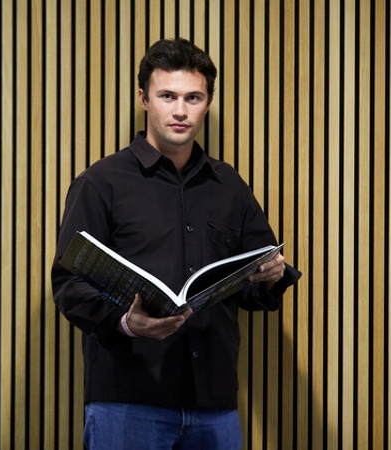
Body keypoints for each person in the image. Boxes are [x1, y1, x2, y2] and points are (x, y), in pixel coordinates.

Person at [51, 37, 301, 450]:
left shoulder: (229, 186)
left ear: (208, 102)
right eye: (167, 95)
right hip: (127, 400)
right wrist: (128, 323)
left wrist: (272, 275)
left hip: (215, 406)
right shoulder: (100, 183)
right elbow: (69, 284)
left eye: (194, 97)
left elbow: (257, 280)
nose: (181, 110)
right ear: (144, 98)